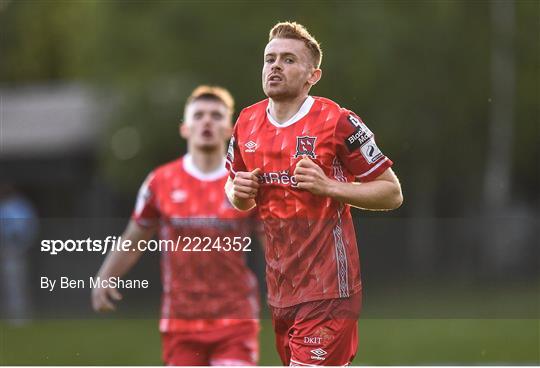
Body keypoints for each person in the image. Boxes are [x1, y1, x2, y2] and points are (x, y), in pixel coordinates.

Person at [225, 22, 403, 365]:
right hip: (281, 291)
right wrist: (238, 191)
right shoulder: (246, 122)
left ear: (313, 75)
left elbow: (391, 192)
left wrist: (329, 187)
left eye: (289, 60)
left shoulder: (338, 121)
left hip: (330, 291)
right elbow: (235, 189)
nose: (275, 66)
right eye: (270, 59)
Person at [92, 86, 260, 366]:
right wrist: (104, 277)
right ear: (185, 128)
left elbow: (274, 244)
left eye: (216, 115)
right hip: (180, 322)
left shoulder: (244, 183)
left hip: (235, 317)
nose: (207, 121)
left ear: (230, 128)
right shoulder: (160, 182)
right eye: (199, 115)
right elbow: (134, 238)